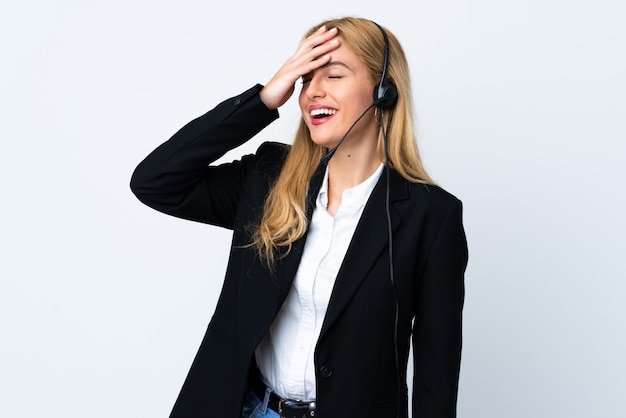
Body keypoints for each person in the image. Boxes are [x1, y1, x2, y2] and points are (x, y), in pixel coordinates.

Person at [131, 16, 468, 418]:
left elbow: (436, 374)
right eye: (306, 78)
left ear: (384, 92)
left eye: (334, 75)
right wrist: (263, 100)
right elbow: (155, 181)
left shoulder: (432, 216)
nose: (312, 92)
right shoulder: (268, 177)